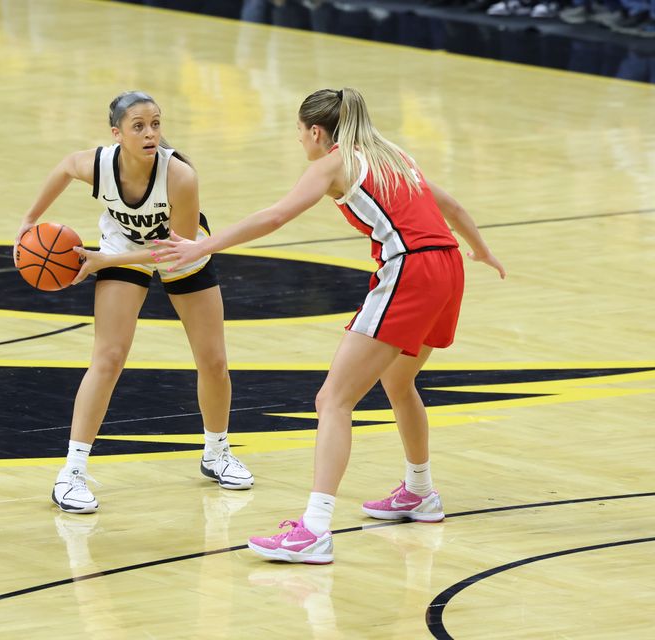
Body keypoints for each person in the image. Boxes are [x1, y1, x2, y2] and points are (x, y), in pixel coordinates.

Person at [152, 87, 505, 564]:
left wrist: (201, 246)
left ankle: (314, 529)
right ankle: (420, 492)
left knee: (332, 400)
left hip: (412, 271)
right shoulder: (392, 154)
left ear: (316, 131)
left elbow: (275, 215)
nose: (300, 142)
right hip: (447, 267)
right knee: (399, 381)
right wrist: (479, 249)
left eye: (300, 133)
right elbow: (452, 206)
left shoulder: (333, 164)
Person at [15, 90, 254, 514]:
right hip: (122, 245)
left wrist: (106, 260)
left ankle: (217, 453)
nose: (150, 133)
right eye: (139, 126)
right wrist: (29, 220)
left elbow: (171, 249)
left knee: (214, 361)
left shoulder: (180, 176)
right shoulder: (99, 163)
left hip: (182, 252)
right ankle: (71, 473)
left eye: (156, 124)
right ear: (117, 134)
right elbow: (65, 166)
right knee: (107, 357)